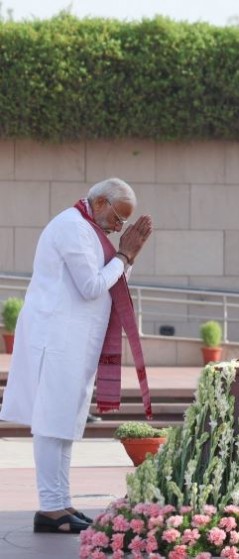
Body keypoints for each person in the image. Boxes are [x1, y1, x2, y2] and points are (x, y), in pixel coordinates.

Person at [0, 178, 153, 534]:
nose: (119, 228)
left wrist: (127, 258)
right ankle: (51, 508)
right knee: (52, 422)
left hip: (74, 341)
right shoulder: (71, 227)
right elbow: (91, 286)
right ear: (99, 202)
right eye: (118, 218)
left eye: (123, 224)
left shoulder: (88, 229)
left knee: (65, 423)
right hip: (54, 339)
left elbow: (111, 279)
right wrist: (124, 255)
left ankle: (60, 503)